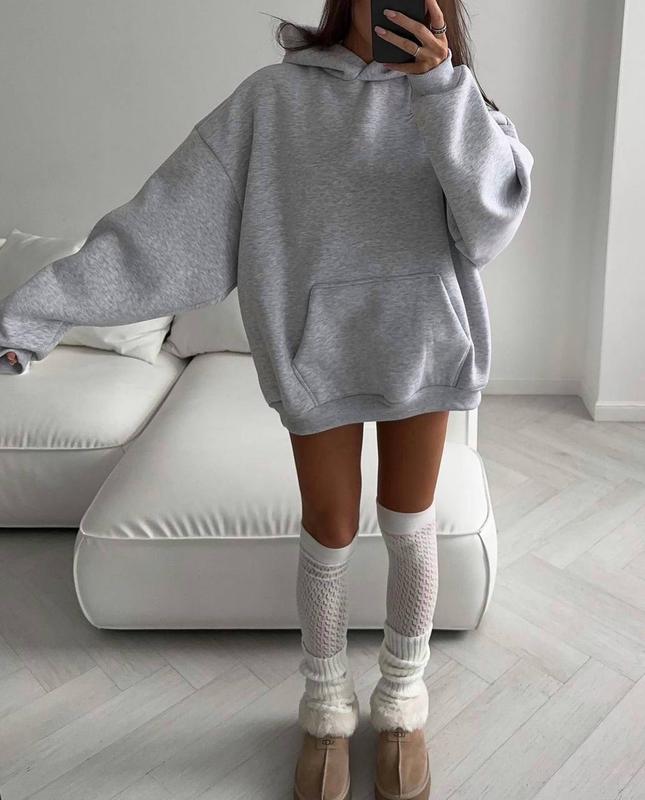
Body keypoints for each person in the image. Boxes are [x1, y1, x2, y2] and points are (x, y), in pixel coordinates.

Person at [0, 0, 534, 797]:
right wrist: (30, 316)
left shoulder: (460, 100)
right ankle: (324, 706)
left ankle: (401, 702)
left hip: (423, 343)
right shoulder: (272, 100)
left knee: (409, 525)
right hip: (311, 352)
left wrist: (441, 92)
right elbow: (161, 226)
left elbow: (489, 226)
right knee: (328, 529)